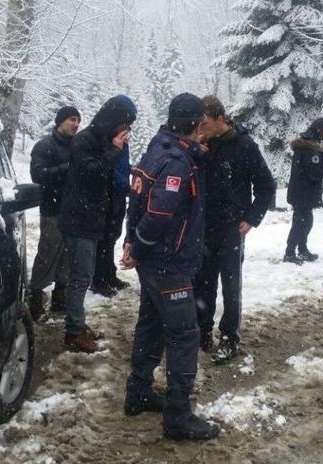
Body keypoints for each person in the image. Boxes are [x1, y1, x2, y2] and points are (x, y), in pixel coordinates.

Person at [121, 93, 220, 441]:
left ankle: (138, 392)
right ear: (195, 124)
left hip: (154, 261)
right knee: (184, 335)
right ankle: (178, 416)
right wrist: (140, 244)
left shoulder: (159, 146)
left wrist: (132, 241)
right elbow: (159, 212)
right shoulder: (178, 161)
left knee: (151, 324)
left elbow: (137, 196)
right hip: (168, 263)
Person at [193, 95, 275, 363]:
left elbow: (266, 185)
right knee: (202, 282)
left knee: (230, 284)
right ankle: (203, 332)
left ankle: (229, 337)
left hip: (231, 226)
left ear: (220, 119)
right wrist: (196, 149)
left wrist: (252, 217)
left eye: (204, 123)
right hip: (204, 225)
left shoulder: (244, 145)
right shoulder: (200, 145)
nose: (200, 128)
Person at [58, 95, 136, 353]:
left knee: (84, 273)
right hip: (79, 219)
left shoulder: (102, 139)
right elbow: (91, 172)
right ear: (114, 118)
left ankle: (78, 325)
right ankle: (73, 332)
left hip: (92, 218)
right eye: (125, 123)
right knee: (80, 277)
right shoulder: (85, 140)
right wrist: (114, 150)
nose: (127, 130)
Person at [27, 106, 81, 321]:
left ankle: (60, 299)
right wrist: (67, 168)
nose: (76, 124)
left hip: (73, 211)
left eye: (78, 120)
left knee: (67, 257)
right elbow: (37, 175)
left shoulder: (77, 146)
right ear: (60, 122)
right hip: (52, 211)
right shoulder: (45, 145)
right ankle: (35, 300)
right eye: (72, 119)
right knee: (47, 255)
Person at [284, 117, 323, 264]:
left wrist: (322, 169)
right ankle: (290, 253)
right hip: (303, 193)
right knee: (301, 223)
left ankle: (302, 250)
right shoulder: (310, 148)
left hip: (302, 192)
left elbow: (310, 169)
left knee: (304, 222)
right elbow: (313, 173)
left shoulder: (309, 146)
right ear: (320, 130)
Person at [90, 134, 131, 298]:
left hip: (119, 196)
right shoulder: (106, 142)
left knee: (112, 237)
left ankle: (109, 275)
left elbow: (123, 168)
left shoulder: (123, 144)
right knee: (103, 241)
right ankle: (98, 280)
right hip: (108, 196)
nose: (127, 130)